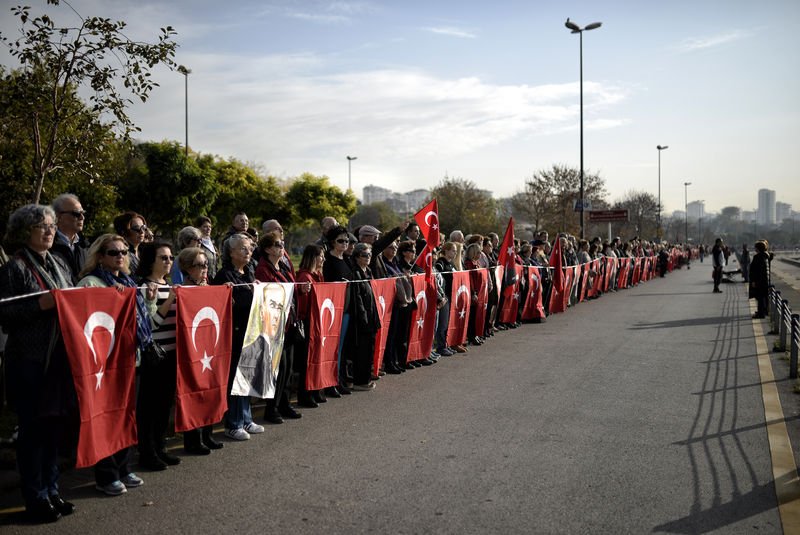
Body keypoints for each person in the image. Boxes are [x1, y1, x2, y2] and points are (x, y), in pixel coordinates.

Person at [0, 205, 76, 522]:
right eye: (41, 225)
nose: (48, 230)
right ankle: (35, 497)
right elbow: (4, 314)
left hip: (57, 361)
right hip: (28, 362)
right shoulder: (13, 268)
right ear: (25, 231)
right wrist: (39, 305)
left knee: (52, 431)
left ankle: (52, 490)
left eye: (51, 225)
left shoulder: (59, 263)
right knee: (33, 432)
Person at [76, 234, 147, 497]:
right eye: (113, 252)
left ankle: (123, 466)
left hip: (131, 359)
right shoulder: (89, 282)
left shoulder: (128, 281)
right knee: (107, 417)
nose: (120, 256)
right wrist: (110, 298)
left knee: (127, 414)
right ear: (100, 255)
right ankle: (106, 475)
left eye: (124, 251)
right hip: (103, 363)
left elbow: (142, 319)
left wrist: (147, 298)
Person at [212, 232, 265, 441]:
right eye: (244, 248)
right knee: (235, 376)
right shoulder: (224, 275)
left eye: (250, 248)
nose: (249, 251)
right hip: (233, 333)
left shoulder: (249, 271)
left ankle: (246, 418)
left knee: (246, 374)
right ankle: (233, 423)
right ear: (231, 252)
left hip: (250, 331)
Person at [134, 241, 180, 471]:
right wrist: (170, 299)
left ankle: (160, 447)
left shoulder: (169, 284)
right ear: (151, 260)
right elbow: (149, 325)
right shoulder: (144, 287)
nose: (168, 262)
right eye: (163, 257)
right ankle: (147, 451)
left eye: (171, 257)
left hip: (172, 354)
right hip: (154, 357)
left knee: (164, 405)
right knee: (149, 406)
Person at [177, 247, 224, 455]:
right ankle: (193, 439)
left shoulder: (209, 288)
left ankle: (207, 434)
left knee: (210, 389)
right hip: (191, 350)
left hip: (210, 347)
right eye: (199, 265)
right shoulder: (182, 290)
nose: (205, 269)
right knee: (193, 392)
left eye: (206, 264)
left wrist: (224, 292)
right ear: (187, 268)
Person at [254, 231, 301, 424]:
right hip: (273, 325)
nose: (281, 248)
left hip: (288, 322)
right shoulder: (263, 269)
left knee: (288, 367)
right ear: (267, 249)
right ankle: (271, 408)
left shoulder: (283, 267)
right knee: (277, 368)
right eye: (277, 245)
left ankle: (284, 403)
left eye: (282, 244)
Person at [322, 225, 354, 396]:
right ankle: (329, 382)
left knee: (340, 348)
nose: (345, 244)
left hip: (347, 310)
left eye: (347, 241)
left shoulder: (346, 260)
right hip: (333, 311)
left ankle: (338, 379)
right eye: (341, 241)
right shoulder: (328, 261)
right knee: (333, 349)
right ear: (332, 242)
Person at [294, 244, 326, 406]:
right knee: (307, 360)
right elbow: (303, 306)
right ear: (313, 257)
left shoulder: (317, 275)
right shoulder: (305, 278)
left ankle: (315, 389)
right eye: (321, 255)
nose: (323, 259)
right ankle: (304, 394)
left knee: (316, 358)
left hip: (317, 323)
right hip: (308, 323)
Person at [348, 243, 380, 390]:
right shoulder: (355, 274)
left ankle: (366, 378)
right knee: (362, 352)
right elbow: (358, 299)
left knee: (369, 350)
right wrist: (365, 320)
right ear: (356, 257)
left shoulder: (368, 271)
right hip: (362, 320)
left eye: (369, 255)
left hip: (372, 315)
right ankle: (360, 381)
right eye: (364, 255)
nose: (368, 258)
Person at [50, 193, 88, 282]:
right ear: (58, 216)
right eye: (76, 213)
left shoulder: (85, 246)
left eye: (83, 213)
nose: (82, 217)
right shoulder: (47, 245)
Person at [749, 241, 770, 319]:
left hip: (759, 280)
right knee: (763, 297)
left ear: (758, 248)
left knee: (760, 297)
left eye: (755, 247)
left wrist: (754, 281)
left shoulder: (758, 257)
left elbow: (756, 270)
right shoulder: (766, 256)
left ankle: (761, 314)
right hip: (764, 280)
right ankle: (763, 311)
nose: (755, 249)